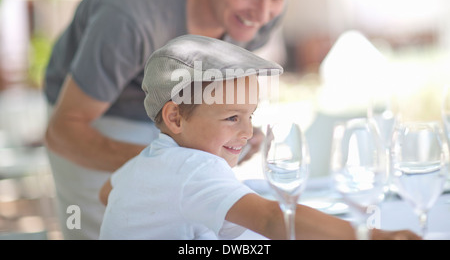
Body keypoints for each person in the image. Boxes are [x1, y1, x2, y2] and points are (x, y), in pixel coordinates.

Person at [43, 0, 305, 239]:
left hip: (176, 112)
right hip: (95, 116)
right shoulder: (131, 15)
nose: (261, 15)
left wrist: (230, 121)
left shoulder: (262, 8)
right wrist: (169, 165)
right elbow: (62, 132)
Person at [98, 35, 420, 240]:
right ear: (174, 117)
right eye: (232, 117)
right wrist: (375, 238)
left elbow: (107, 191)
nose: (248, 131)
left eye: (249, 115)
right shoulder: (193, 168)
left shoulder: (154, 161)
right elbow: (270, 220)